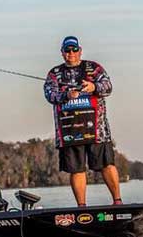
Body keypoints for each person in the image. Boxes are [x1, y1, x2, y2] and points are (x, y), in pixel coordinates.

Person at [43, 36, 122, 206]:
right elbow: (49, 94)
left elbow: (108, 87)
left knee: (107, 164)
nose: (71, 53)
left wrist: (94, 87)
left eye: (74, 49)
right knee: (76, 169)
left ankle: (117, 201)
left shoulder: (94, 68)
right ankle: (81, 207)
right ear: (62, 53)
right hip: (69, 131)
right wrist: (66, 94)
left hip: (97, 129)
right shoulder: (54, 73)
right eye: (67, 50)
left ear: (80, 50)